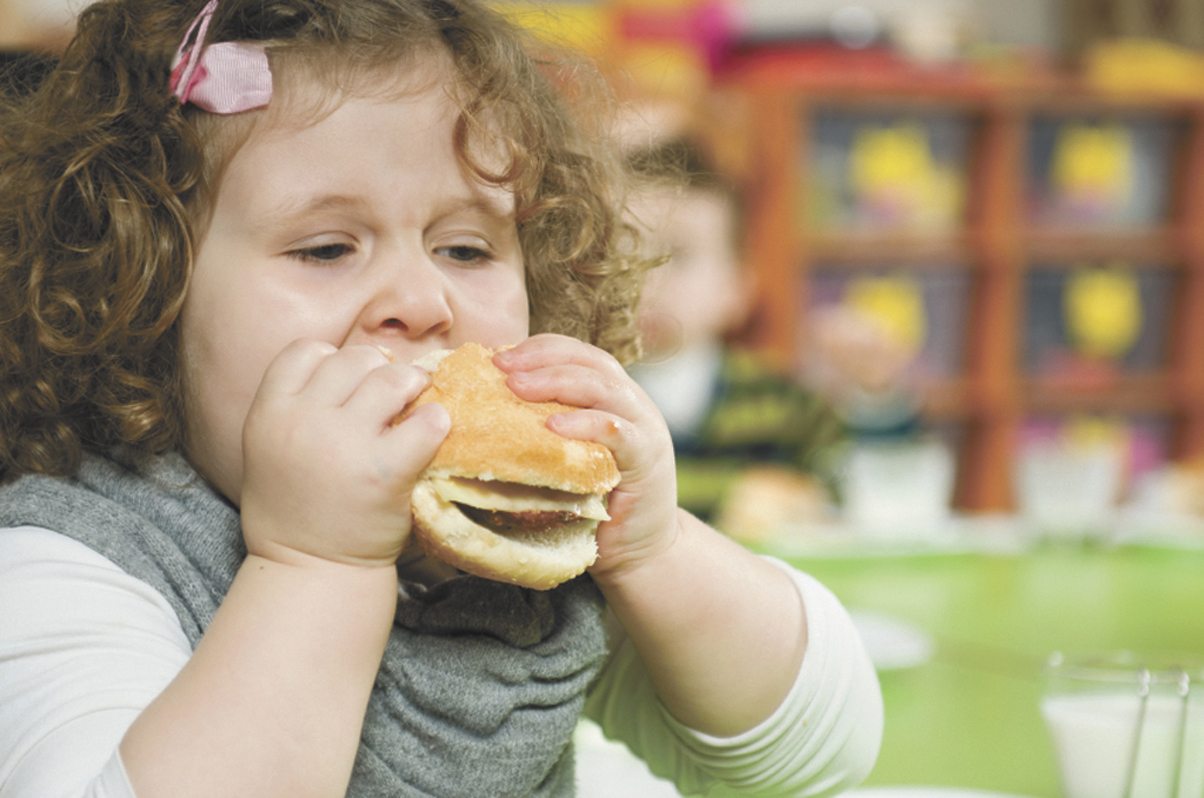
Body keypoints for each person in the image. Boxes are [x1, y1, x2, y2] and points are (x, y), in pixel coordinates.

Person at [0, 1, 883, 796]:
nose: (423, 303)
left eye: (465, 249)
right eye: (326, 248)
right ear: (145, 297)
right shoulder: (70, 564)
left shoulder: (505, 546)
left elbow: (814, 757)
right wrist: (319, 566)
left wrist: (653, 550)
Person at [626, 137, 848, 536]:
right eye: (624, 253)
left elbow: (849, 486)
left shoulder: (782, 398)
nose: (647, 280)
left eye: (676, 255)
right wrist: (730, 493)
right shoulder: (587, 393)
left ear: (736, 288)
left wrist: (876, 396)